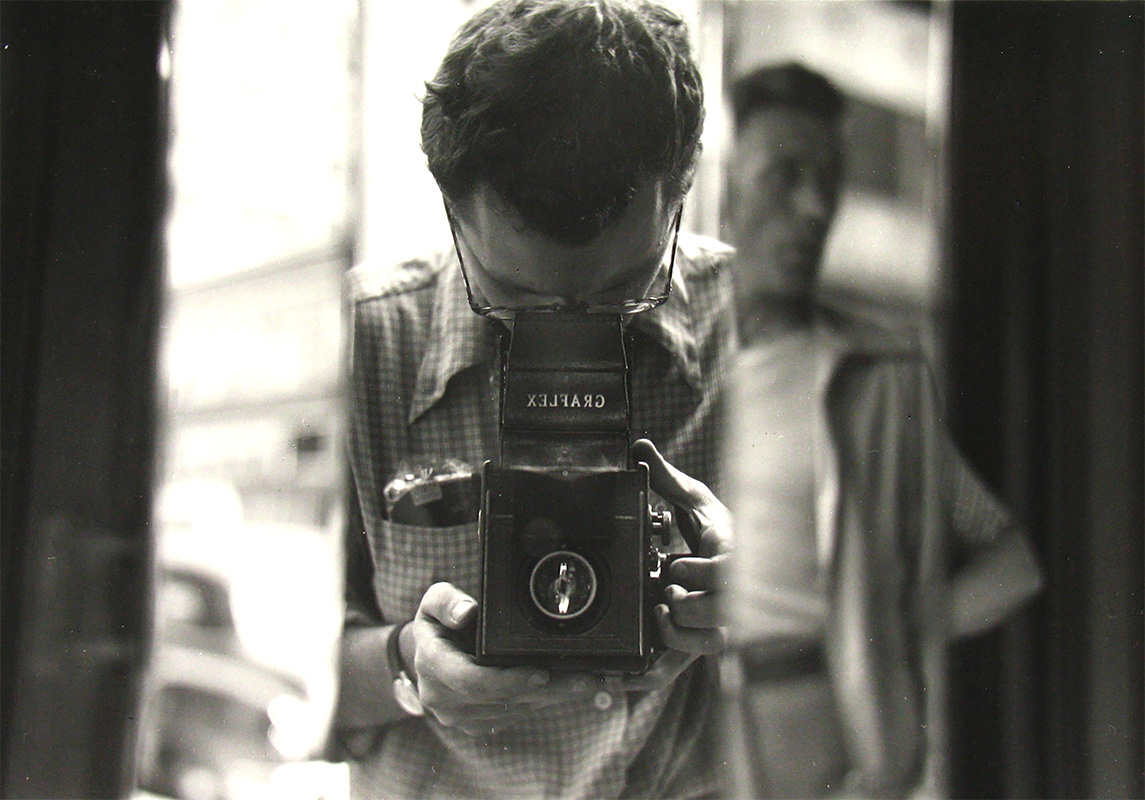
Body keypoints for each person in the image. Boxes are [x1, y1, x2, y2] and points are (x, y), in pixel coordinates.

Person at [333, 2, 735, 798]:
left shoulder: (758, 331)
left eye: (622, 292)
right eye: (514, 296)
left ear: (681, 190)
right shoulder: (363, 343)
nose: (568, 332)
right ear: (451, 211)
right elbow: (293, 674)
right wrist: (406, 663)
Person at [720, 62, 1044, 798]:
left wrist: (897, 630)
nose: (812, 206)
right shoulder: (658, 362)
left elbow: (1010, 561)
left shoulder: (877, 379)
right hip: (688, 740)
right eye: (784, 174)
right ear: (725, 184)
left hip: (825, 745)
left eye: (828, 178)